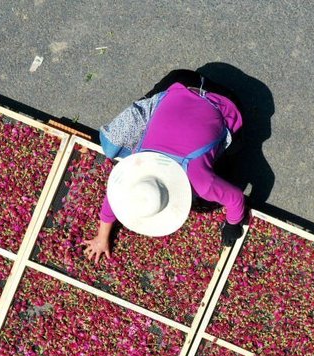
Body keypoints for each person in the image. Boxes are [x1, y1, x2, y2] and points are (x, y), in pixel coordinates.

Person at [82, 69, 248, 263]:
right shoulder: (139, 162)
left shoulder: (200, 181)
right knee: (111, 147)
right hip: (179, 80)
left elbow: (235, 198)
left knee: (233, 156)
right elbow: (117, 194)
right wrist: (102, 237)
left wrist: (233, 224)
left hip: (225, 101)